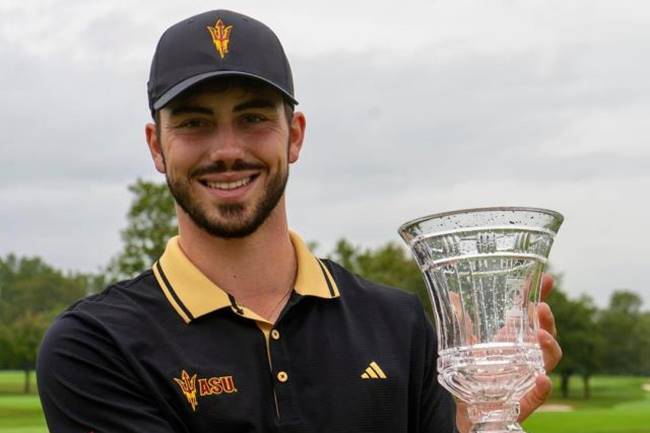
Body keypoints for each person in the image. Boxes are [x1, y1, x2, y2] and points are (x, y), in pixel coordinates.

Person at [37, 9, 562, 433]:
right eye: (195, 123)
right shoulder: (94, 346)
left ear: (295, 136)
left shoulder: (398, 325)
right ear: (157, 146)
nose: (227, 149)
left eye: (254, 117)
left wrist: (476, 420)